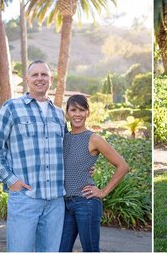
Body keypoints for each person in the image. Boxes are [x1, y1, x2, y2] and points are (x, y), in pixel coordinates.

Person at [0, 60, 67, 251]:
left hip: (55, 202)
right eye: (35, 75)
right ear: (27, 79)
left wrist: (85, 164)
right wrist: (10, 180)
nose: (40, 78)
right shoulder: (12, 108)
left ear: (51, 79)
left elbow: (65, 151)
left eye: (44, 75)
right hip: (25, 198)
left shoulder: (59, 115)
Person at [58, 95, 130, 252]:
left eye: (82, 110)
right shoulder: (63, 138)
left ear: (88, 113)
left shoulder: (93, 139)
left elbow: (123, 166)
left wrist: (103, 192)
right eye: (73, 110)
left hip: (86, 203)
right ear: (67, 113)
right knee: (61, 249)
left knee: (90, 250)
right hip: (65, 204)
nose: (77, 114)